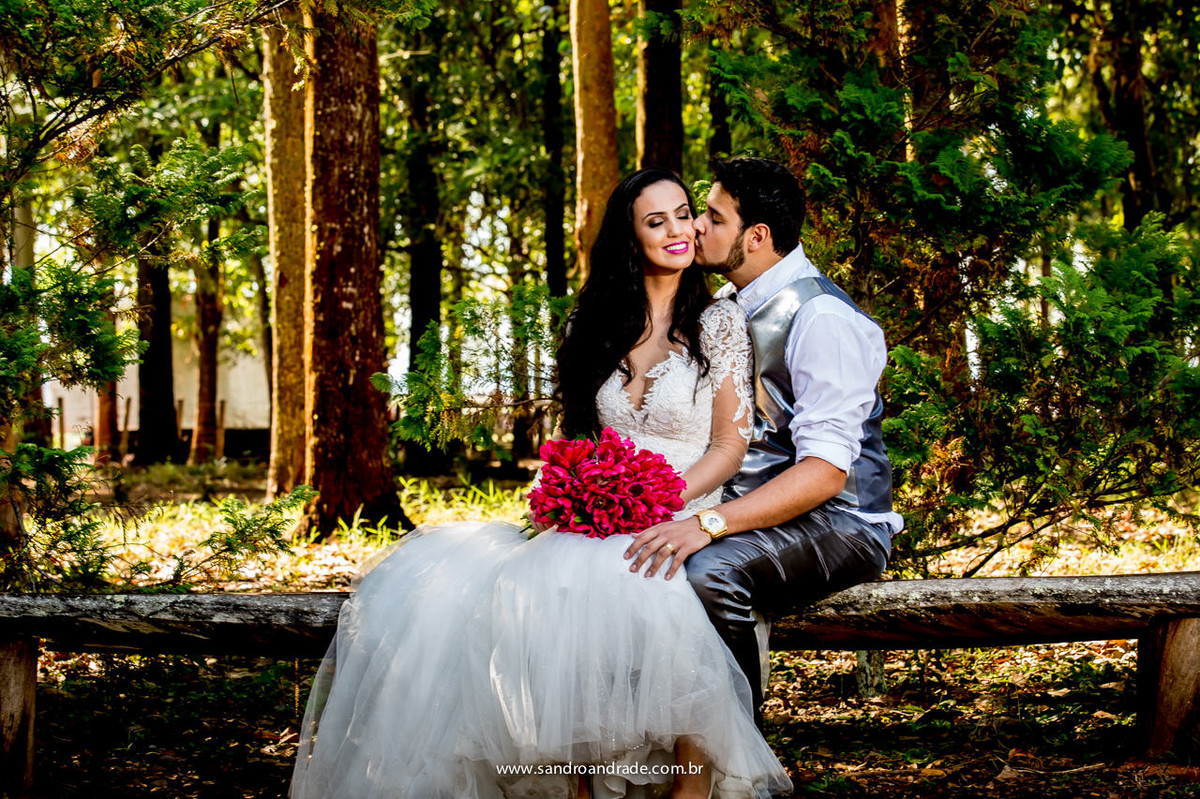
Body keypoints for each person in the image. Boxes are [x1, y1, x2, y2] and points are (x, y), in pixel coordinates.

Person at [290, 167, 793, 799]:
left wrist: (660, 496)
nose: (677, 231)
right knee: (546, 582)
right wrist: (578, 492)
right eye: (654, 220)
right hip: (601, 507)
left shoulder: (719, 321)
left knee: (659, 584)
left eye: (683, 213)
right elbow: (578, 438)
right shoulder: (595, 320)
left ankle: (690, 785)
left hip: (683, 498)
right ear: (629, 237)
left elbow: (729, 445)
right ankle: (577, 787)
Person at [625, 157, 904, 714]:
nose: (694, 227)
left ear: (756, 236)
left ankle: (735, 755)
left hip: (844, 522)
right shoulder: (726, 308)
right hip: (753, 509)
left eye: (711, 216)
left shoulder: (823, 317)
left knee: (708, 571)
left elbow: (826, 473)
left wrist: (707, 524)